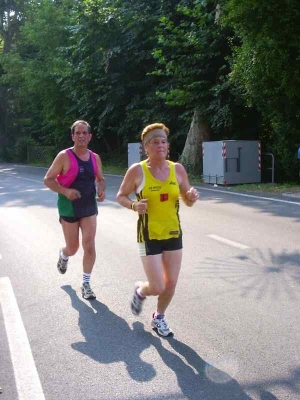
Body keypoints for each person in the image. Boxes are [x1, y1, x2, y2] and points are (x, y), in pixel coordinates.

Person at [116, 123, 199, 336]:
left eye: (163, 141)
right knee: (158, 285)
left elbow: (187, 199)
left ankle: (159, 317)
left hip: (173, 233)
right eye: (155, 142)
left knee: (171, 283)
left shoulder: (177, 169)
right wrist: (134, 205)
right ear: (146, 147)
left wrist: (190, 197)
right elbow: (121, 196)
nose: (160, 145)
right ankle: (141, 291)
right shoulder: (137, 171)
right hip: (148, 236)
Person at [44, 120, 106, 299]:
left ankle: (86, 283)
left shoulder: (95, 158)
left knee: (89, 244)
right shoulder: (64, 156)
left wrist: (101, 190)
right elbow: (48, 179)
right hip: (68, 207)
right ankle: (64, 254)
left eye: (84, 133)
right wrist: (65, 191)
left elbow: (100, 178)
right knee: (73, 248)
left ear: (89, 136)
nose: (81, 136)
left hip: (88, 206)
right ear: (72, 136)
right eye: (77, 133)